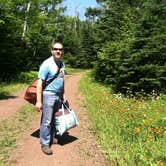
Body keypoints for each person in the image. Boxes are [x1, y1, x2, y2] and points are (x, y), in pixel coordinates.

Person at [36, 42, 66, 155]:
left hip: (58, 96)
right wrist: (39, 101)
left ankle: (51, 137)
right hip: (48, 95)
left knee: (54, 119)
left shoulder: (62, 64)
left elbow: (62, 80)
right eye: (55, 49)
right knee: (47, 121)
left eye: (60, 49)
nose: (58, 51)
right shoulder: (46, 64)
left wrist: (63, 94)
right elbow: (40, 83)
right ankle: (44, 143)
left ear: (62, 51)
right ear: (52, 51)